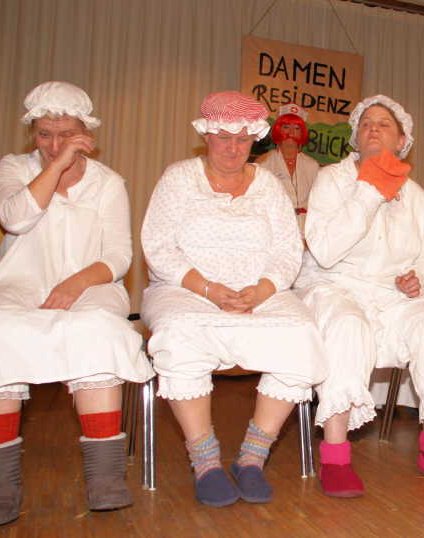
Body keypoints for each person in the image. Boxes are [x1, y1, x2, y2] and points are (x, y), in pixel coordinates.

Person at [0, 81, 154, 527]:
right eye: (44, 134)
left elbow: (119, 256)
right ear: (32, 132)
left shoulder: (109, 183)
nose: (53, 144)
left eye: (65, 135)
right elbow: (15, 219)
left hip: (90, 283)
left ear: (86, 132)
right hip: (19, 281)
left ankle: (105, 477)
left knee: (98, 328)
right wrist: (58, 165)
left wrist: (75, 283)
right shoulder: (14, 167)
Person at [140, 91, 328, 507]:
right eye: (224, 137)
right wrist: (207, 288)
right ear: (206, 135)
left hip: (257, 292)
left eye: (242, 140)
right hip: (185, 289)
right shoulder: (178, 178)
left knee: (301, 332)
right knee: (180, 331)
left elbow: (287, 251)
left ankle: (251, 460)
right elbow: (158, 246)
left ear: (255, 139)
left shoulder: (269, 187)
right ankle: (205, 462)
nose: (232, 148)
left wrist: (262, 289)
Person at [296, 95, 424, 498]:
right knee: (348, 326)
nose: (373, 128)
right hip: (335, 285)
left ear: (402, 140)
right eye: (366, 124)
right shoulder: (332, 179)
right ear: (356, 137)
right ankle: (335, 456)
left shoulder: (414, 194)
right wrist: (369, 190)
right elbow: (324, 251)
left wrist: (417, 278)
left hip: (391, 294)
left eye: (384, 124)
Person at [256, 103, 320, 235]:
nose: (291, 133)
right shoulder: (264, 163)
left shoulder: (313, 165)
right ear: (278, 130)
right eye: (286, 127)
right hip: (274, 228)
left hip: (307, 230)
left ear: (302, 133)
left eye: (297, 128)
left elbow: (319, 204)